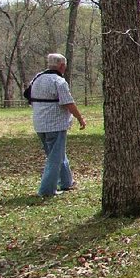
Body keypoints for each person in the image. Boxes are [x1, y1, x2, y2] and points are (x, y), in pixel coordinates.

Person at [29, 53, 86, 197]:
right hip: (55, 124)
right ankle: (47, 190)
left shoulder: (37, 79)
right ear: (61, 66)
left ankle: (67, 182)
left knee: (56, 154)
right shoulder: (59, 81)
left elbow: (29, 97)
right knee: (55, 158)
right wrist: (80, 118)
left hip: (40, 123)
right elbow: (68, 103)